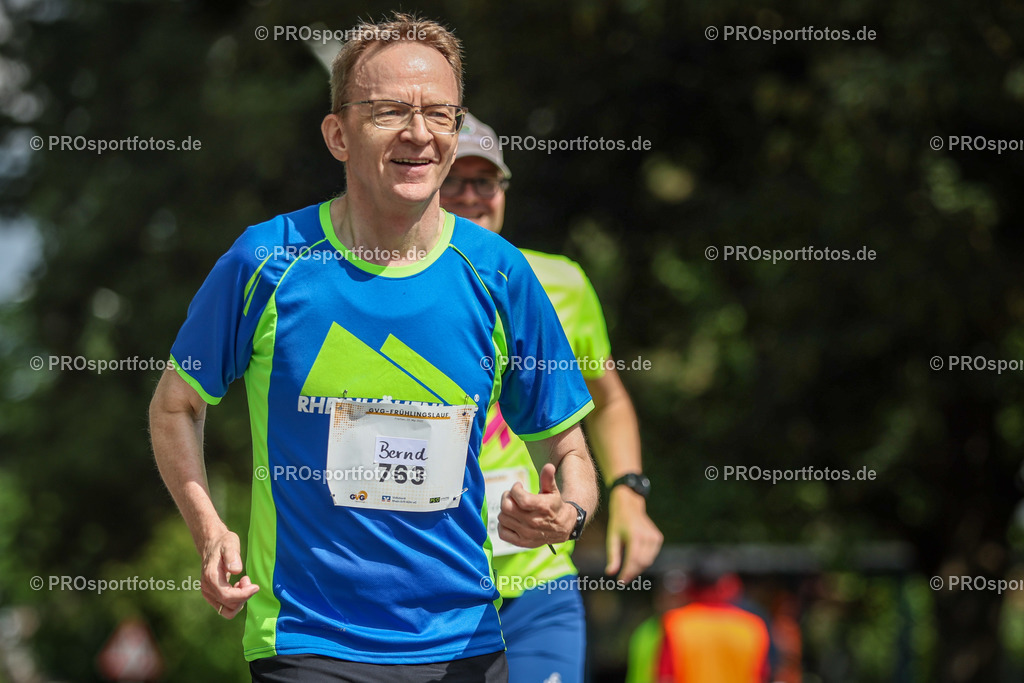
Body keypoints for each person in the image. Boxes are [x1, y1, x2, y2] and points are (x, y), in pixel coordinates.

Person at [148, 13, 599, 682]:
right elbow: (176, 406)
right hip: (308, 639)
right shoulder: (268, 261)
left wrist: (569, 512)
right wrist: (209, 527)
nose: (420, 134)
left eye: (439, 115)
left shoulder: (501, 273)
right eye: (390, 112)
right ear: (338, 133)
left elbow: (568, 448)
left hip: (464, 642)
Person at [439, 113, 664, 683]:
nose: (471, 196)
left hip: (539, 580)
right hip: (432, 584)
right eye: (454, 180)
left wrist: (629, 498)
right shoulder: (386, 284)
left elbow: (608, 399)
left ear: (503, 191)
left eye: (484, 181)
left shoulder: (559, 281)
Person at [657, 567, 772, 683]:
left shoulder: (676, 623)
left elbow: (666, 678)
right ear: (730, 585)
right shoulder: (752, 626)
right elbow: (762, 676)